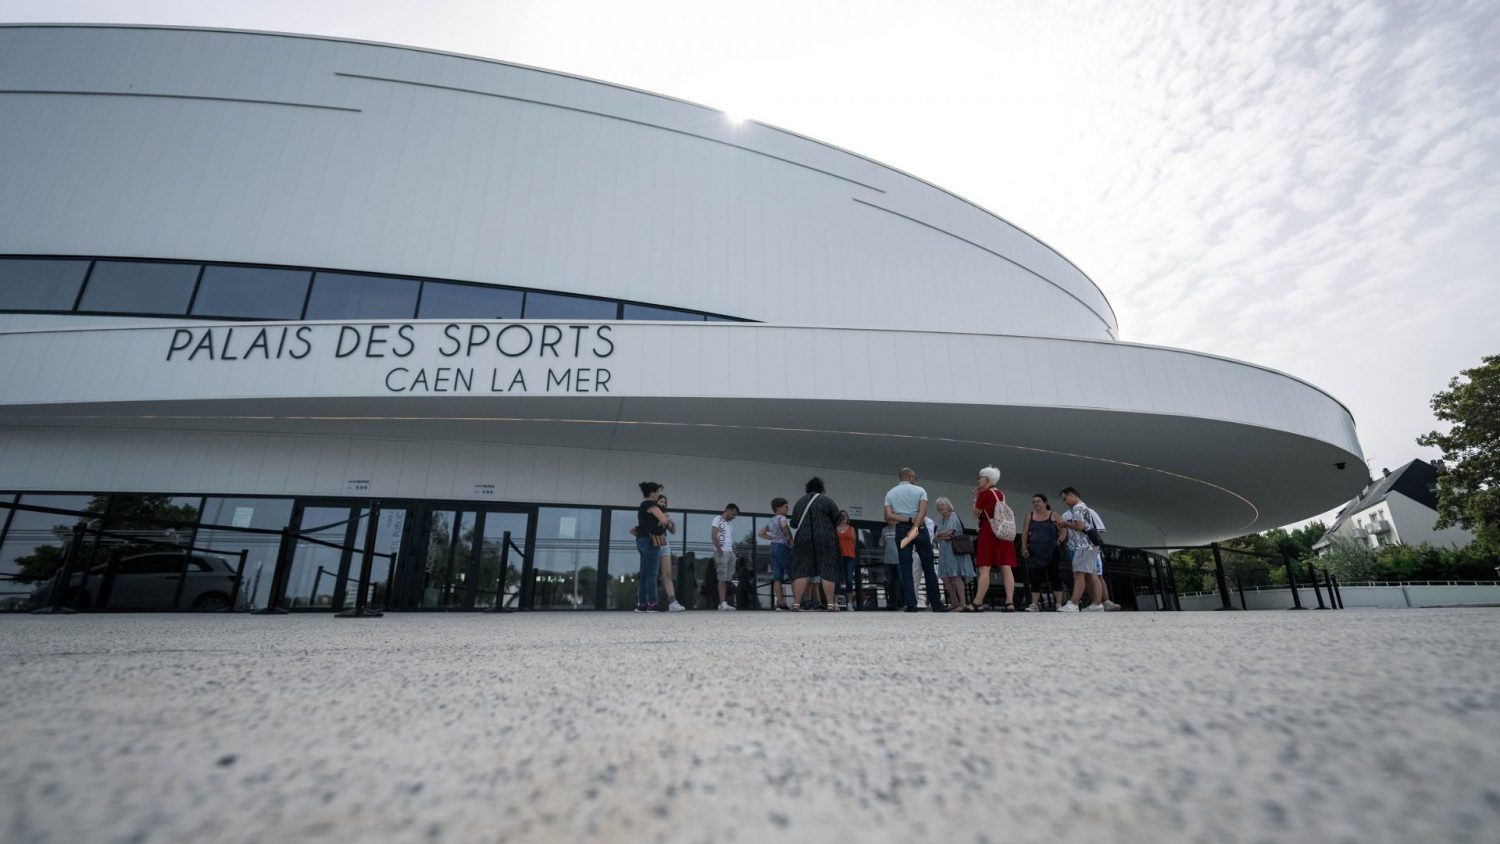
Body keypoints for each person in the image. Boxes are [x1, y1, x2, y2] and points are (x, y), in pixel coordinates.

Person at [884, 467, 942, 612]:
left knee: (906, 567)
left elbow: (888, 516)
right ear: (910, 476)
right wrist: (914, 526)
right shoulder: (920, 490)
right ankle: (936, 604)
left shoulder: (890, 493)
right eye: (914, 477)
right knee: (928, 566)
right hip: (919, 529)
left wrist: (907, 520)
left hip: (901, 530)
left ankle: (911, 604)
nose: (915, 480)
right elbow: (923, 512)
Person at [790, 477, 842, 613]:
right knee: (827, 569)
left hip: (803, 537)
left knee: (802, 570)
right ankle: (830, 605)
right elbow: (838, 518)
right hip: (825, 537)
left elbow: (794, 523)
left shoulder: (799, 502)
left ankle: (796, 604)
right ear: (821, 488)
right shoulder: (827, 501)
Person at [971, 466, 1017, 611]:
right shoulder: (1001, 494)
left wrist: (975, 497)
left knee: (985, 567)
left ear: (987, 479)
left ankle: (977, 602)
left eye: (980, 477)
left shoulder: (984, 494)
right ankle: (1009, 602)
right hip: (1002, 532)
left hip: (989, 531)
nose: (979, 479)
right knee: (1006, 567)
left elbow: (975, 513)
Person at [1056, 486, 1107, 613]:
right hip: (1092, 545)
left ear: (1072, 495)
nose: (1065, 502)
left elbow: (1079, 526)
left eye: (1065, 498)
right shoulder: (1085, 507)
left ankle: (1073, 603)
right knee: (1092, 574)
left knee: (1078, 574)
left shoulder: (1078, 508)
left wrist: (1066, 524)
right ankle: (1097, 603)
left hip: (1084, 545)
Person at [1020, 493, 1065, 612]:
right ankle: (1034, 604)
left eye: (1038, 501)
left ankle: (1059, 604)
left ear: (1045, 503)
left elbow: (1064, 529)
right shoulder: (1029, 515)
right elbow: (1025, 532)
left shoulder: (1053, 515)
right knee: (1035, 577)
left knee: (1054, 575)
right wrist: (1024, 547)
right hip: (1035, 550)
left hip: (1051, 549)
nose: (1036, 504)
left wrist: (1059, 541)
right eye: (1034, 502)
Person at [932, 497, 975, 612]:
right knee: (945, 577)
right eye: (938, 505)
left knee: (956, 576)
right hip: (944, 553)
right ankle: (954, 602)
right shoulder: (941, 520)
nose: (940, 507)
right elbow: (936, 537)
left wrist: (941, 534)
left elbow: (949, 532)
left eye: (942, 505)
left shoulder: (953, 516)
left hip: (954, 551)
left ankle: (963, 604)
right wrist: (942, 536)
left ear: (948, 506)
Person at [634, 481, 670, 612]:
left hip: (641, 540)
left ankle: (641, 604)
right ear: (653, 492)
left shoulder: (642, 505)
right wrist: (664, 517)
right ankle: (653, 603)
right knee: (652, 574)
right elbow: (664, 520)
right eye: (658, 492)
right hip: (651, 541)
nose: (659, 495)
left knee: (644, 574)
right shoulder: (651, 505)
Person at [759, 498, 794, 610]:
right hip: (782, 547)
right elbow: (784, 525)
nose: (788, 508)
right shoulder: (781, 518)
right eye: (786, 506)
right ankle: (797, 602)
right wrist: (788, 536)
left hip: (773, 547)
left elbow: (760, 533)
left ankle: (781, 603)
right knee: (793, 575)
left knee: (777, 577)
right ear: (778, 508)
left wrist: (771, 537)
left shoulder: (771, 520)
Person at [709, 503, 740, 611]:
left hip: (730, 551)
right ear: (728, 510)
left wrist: (733, 552)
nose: (733, 517)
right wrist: (719, 550)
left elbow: (729, 538)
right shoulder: (717, 519)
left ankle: (724, 602)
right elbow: (713, 535)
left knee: (728, 577)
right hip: (721, 551)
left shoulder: (729, 524)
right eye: (733, 514)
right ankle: (722, 603)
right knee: (722, 577)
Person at [836, 511, 858, 610]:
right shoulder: (835, 528)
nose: (844, 517)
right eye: (842, 516)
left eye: (845, 515)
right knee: (837, 580)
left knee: (849, 579)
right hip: (838, 557)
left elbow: (854, 542)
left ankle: (849, 603)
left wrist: (850, 551)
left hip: (849, 556)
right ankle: (835, 603)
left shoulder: (851, 528)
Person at [880, 522, 901, 610]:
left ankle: (902, 602)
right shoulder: (884, 530)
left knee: (902, 582)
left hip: (900, 560)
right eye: (888, 518)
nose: (890, 520)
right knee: (890, 583)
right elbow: (881, 544)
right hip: (887, 560)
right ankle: (892, 603)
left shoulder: (899, 529)